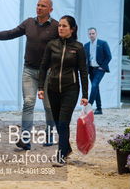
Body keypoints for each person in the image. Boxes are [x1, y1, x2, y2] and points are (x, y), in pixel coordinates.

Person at [0, 0, 58, 150]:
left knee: (49, 107)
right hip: (29, 71)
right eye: (38, 5)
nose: (39, 8)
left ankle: (49, 134)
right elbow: (12, 32)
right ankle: (25, 139)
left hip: (48, 73)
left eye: (43, 6)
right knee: (29, 103)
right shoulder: (29, 23)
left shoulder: (56, 26)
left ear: (50, 10)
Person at [38, 15, 88, 167]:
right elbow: (43, 66)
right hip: (52, 89)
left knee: (63, 121)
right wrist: (40, 87)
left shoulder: (78, 48)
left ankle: (60, 155)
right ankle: (66, 148)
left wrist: (85, 95)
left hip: (70, 89)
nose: (60, 28)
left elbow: (83, 72)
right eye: (59, 25)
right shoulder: (51, 45)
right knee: (58, 123)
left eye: (64, 26)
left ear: (72, 29)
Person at [84, 27, 112, 115]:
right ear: (88, 35)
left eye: (93, 33)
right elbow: (85, 59)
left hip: (100, 69)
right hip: (91, 69)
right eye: (90, 34)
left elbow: (109, 56)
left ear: (96, 34)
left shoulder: (103, 43)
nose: (91, 35)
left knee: (94, 85)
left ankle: (89, 105)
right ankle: (99, 109)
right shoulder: (86, 45)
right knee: (96, 88)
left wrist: (102, 67)